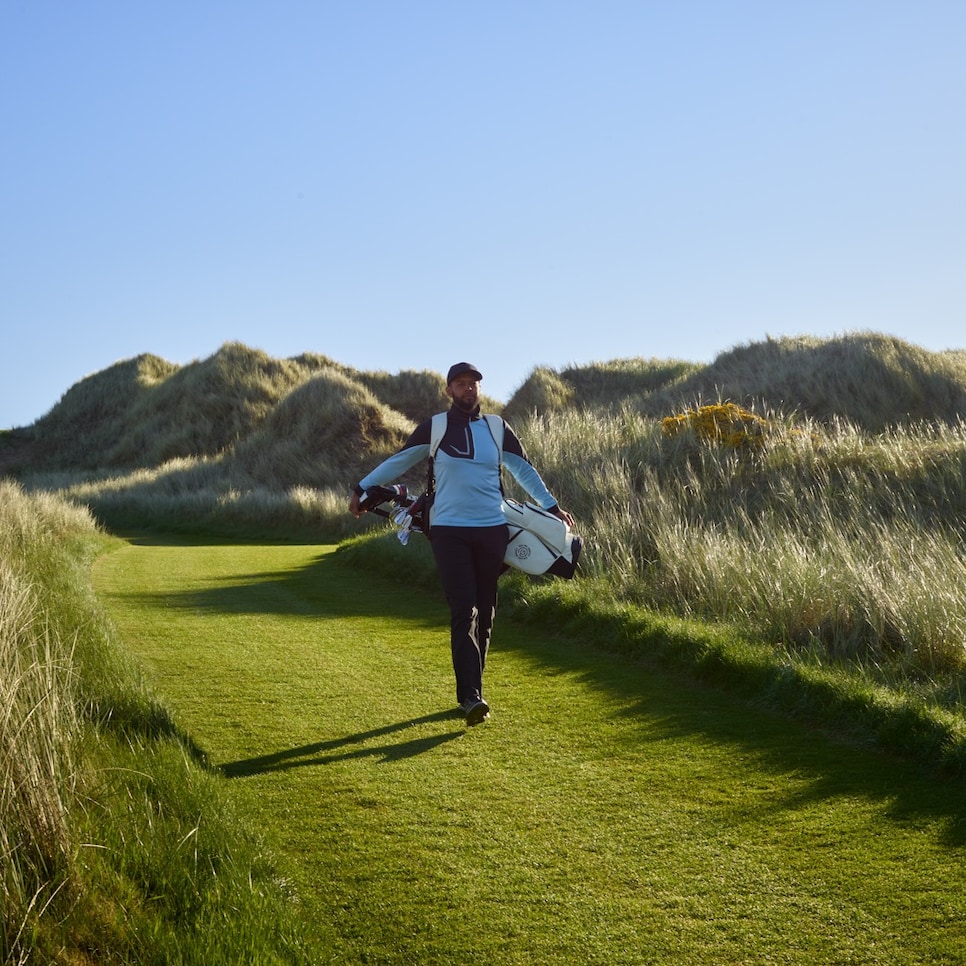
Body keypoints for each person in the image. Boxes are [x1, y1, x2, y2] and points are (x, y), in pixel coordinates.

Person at [349, 362, 574, 726]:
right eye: (461, 384)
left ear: (479, 390)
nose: (469, 389)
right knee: (463, 608)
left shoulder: (497, 428)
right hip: (449, 531)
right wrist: (362, 488)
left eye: (474, 384)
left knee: (485, 612)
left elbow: (523, 469)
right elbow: (400, 460)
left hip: (492, 530)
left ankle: (474, 691)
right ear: (449, 390)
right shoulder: (436, 427)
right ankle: (470, 696)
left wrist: (551, 507)